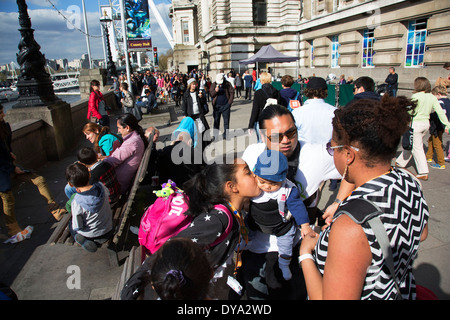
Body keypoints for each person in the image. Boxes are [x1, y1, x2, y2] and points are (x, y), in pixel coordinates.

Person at [300, 96, 429, 300]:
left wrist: (306, 254)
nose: (331, 153)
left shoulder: (351, 226)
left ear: (349, 155)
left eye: (332, 148)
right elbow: (421, 234)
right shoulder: (410, 180)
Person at [240, 104, 353, 300]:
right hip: (255, 248)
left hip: (294, 248)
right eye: (276, 136)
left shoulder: (315, 154)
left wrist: (338, 202)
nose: (286, 141)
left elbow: (354, 167)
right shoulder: (252, 153)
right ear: (262, 135)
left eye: (291, 132)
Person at [121, 158, 261, 300]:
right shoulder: (218, 220)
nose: (254, 175)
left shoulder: (234, 211)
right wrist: (133, 285)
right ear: (231, 187)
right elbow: (172, 248)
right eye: (248, 172)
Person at [1, 104, 67, 243]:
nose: (4, 115)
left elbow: (6, 147)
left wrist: (11, 154)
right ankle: (13, 229)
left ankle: (55, 210)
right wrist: (13, 168)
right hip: (3, 170)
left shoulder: (4, 127)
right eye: (1, 112)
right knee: (8, 199)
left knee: (39, 180)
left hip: (8, 165)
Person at [249, 149, 312, 280]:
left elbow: (297, 207)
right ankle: (242, 247)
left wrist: (305, 226)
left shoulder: (287, 189)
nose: (267, 187)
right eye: (263, 182)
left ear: (283, 179)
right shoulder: (252, 184)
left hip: (281, 226)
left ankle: (284, 264)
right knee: (246, 232)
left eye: (273, 184)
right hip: (255, 222)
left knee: (286, 244)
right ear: (255, 175)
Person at [396, 77, 450, 180]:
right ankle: (400, 162)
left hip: (415, 124)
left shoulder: (415, 96)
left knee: (417, 147)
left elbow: (410, 112)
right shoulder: (432, 97)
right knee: (414, 144)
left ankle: (423, 172)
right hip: (426, 124)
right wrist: (447, 125)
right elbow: (440, 112)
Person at [66, 163, 113, 253]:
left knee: (71, 224)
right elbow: (108, 195)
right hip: (108, 229)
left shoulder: (76, 202)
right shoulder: (101, 187)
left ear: (71, 184)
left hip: (91, 235)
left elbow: (78, 226)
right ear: (90, 175)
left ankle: (83, 240)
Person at [103, 113, 148, 194]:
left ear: (127, 128)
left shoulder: (132, 142)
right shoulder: (136, 138)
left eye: (119, 128)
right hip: (121, 182)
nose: (118, 131)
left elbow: (112, 161)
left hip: (117, 185)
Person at [292, 77, 336, 145]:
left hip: (303, 153)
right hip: (328, 153)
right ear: (325, 91)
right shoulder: (334, 112)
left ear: (307, 91)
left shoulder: (297, 113)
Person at [248, 72, 280, 142]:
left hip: (261, 119)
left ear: (262, 81)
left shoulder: (258, 93)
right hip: (273, 119)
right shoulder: (277, 92)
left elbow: (255, 110)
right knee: (274, 141)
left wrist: (251, 125)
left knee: (261, 140)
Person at [426, 86, 450, 169]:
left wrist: (431, 115)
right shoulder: (448, 101)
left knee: (437, 143)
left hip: (437, 125)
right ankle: (429, 156)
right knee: (430, 140)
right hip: (443, 125)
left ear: (438, 94)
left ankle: (441, 163)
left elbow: (441, 113)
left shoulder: (440, 102)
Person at [210, 73, 234, 139]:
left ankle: (226, 135)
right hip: (217, 106)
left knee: (226, 121)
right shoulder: (213, 84)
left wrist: (229, 103)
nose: (220, 84)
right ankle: (215, 135)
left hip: (226, 105)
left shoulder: (227, 84)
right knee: (216, 121)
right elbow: (211, 94)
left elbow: (232, 92)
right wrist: (215, 91)